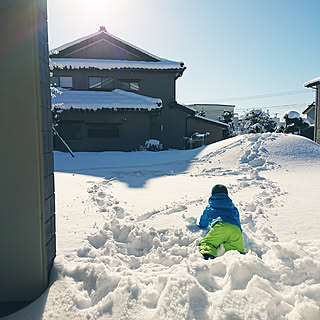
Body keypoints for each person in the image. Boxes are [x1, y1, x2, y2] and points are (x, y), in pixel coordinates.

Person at [198, 184, 244, 260]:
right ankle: (238, 263)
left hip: (220, 226)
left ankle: (208, 256)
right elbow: (237, 219)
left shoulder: (210, 207)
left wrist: (202, 225)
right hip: (235, 229)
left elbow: (204, 221)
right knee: (236, 249)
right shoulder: (232, 207)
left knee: (208, 243)